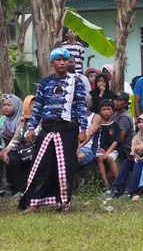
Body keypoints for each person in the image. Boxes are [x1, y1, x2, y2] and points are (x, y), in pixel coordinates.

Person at [20, 48, 88, 212]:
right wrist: (31, 127)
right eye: (58, 60)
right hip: (48, 128)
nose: (62, 63)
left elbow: (81, 106)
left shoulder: (76, 81)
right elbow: (38, 107)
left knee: (66, 167)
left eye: (65, 60)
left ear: (69, 62)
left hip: (68, 129)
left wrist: (83, 128)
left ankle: (63, 203)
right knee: (40, 164)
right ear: (52, 63)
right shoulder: (44, 82)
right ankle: (34, 202)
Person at [110, 113, 143, 199]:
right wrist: (136, 148)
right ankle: (116, 189)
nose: (141, 125)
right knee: (127, 162)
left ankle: (130, 191)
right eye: (139, 122)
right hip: (137, 159)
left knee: (138, 163)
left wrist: (141, 155)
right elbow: (132, 152)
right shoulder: (136, 136)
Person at [107, 92, 135, 197]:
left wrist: (107, 148)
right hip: (115, 145)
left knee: (110, 157)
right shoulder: (114, 115)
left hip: (124, 148)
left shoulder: (124, 117)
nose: (116, 102)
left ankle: (118, 186)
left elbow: (120, 139)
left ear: (126, 103)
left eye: (119, 100)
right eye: (115, 100)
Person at [1, 95, 28, 196]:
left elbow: (17, 139)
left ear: (16, 106)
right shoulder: (4, 120)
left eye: (9, 105)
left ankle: (19, 189)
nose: (5, 107)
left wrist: (6, 151)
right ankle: (5, 187)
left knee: (13, 159)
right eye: (4, 105)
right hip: (9, 148)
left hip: (23, 148)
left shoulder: (22, 119)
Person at [95, 99, 121, 192]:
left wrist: (108, 152)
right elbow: (94, 139)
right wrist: (98, 148)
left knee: (109, 158)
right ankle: (105, 184)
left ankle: (118, 183)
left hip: (112, 150)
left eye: (108, 109)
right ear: (100, 112)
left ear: (112, 111)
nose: (106, 111)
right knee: (99, 158)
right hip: (99, 150)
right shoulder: (97, 125)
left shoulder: (115, 125)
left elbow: (116, 141)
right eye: (104, 109)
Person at [77, 94, 101, 168]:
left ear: (90, 104)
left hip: (88, 148)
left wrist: (78, 148)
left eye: (86, 102)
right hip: (74, 147)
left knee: (73, 158)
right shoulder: (74, 117)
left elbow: (89, 134)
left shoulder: (96, 117)